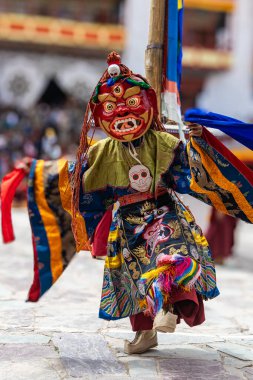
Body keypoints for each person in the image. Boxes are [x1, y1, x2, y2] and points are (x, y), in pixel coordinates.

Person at [1, 52, 253, 355]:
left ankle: (168, 309)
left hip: (164, 213)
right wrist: (37, 172)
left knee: (168, 256)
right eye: (110, 106)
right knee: (132, 277)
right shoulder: (101, 152)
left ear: (147, 102)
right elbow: (79, 182)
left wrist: (196, 145)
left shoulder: (164, 142)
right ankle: (144, 334)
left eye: (131, 103)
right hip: (128, 224)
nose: (121, 112)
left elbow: (189, 178)